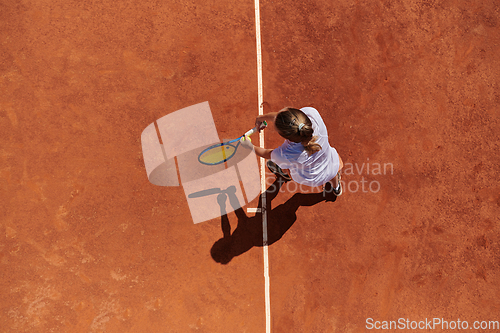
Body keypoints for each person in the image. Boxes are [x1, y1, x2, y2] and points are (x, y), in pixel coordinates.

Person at [250, 106, 343, 196]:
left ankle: (285, 173)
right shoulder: (312, 114)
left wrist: (249, 146)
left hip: (311, 178)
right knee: (332, 173)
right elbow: (288, 119)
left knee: (281, 162)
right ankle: (336, 187)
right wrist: (261, 118)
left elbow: (268, 154)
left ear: (285, 136)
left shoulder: (287, 154)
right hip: (330, 164)